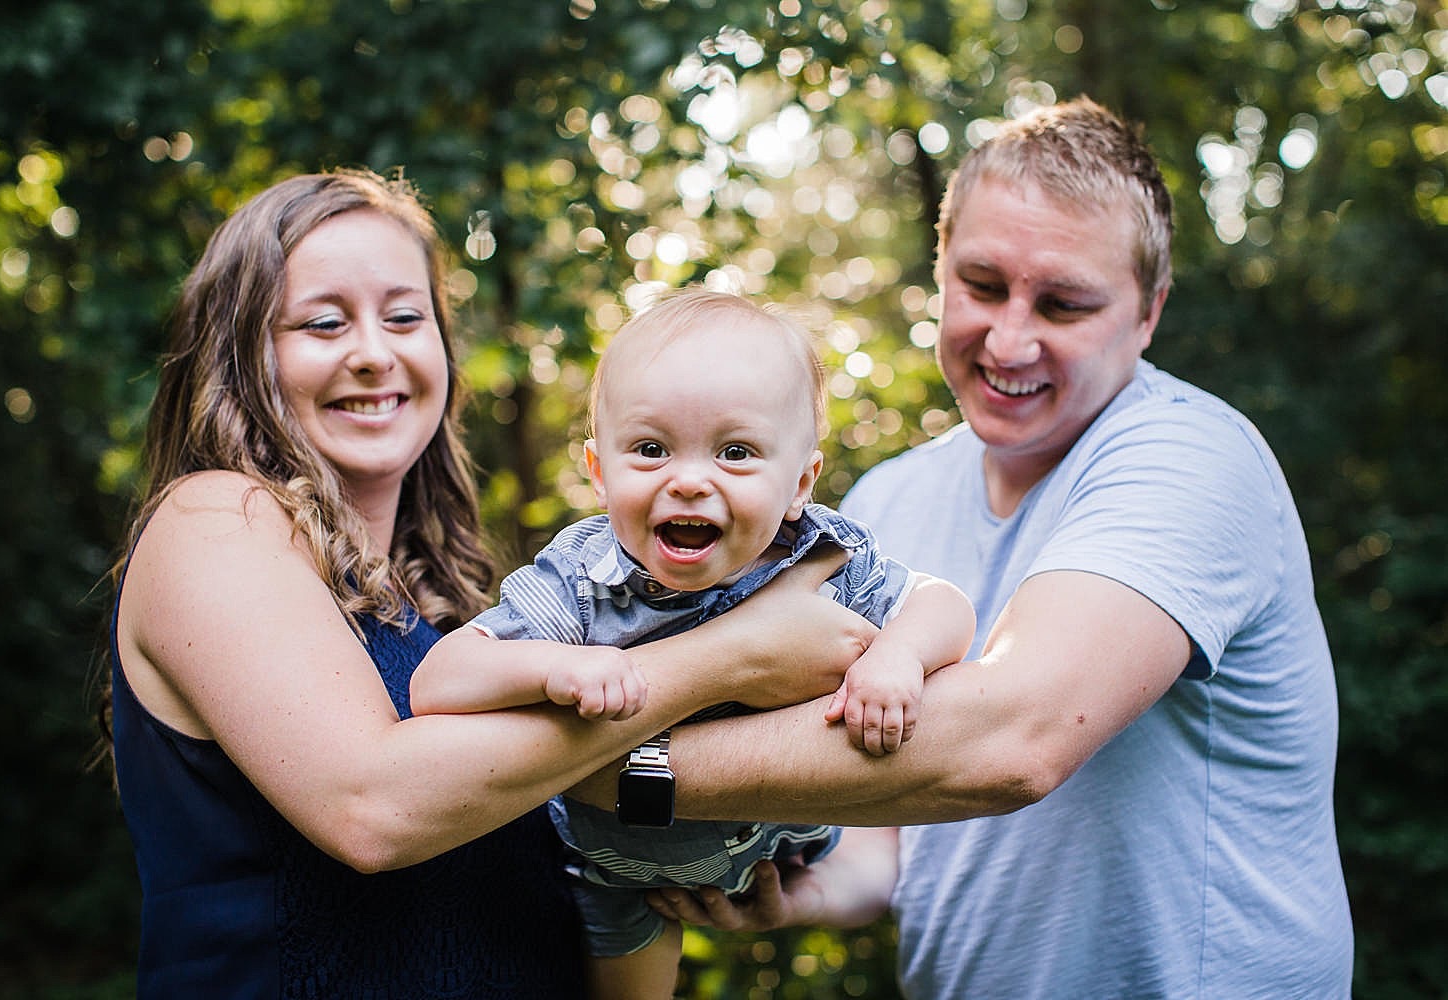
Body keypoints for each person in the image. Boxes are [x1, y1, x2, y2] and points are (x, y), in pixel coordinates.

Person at [614, 97, 1355, 998]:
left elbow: (1014, 740)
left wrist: (618, 773)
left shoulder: (1190, 459)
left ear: (1150, 312)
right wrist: (797, 892)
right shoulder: (888, 499)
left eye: (1064, 303)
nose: (1009, 339)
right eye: (983, 285)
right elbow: (883, 851)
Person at [99, 169, 875, 998]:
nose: (374, 353)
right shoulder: (215, 518)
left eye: (406, 317)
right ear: (243, 354)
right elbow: (372, 807)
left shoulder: (458, 618)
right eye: (324, 323)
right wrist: (731, 658)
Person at [410, 287, 975, 1000]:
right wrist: (559, 665)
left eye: (735, 453)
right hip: (622, 874)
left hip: (786, 853)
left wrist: (900, 656)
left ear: (800, 482)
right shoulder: (581, 580)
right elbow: (438, 683)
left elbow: (944, 606)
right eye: (650, 449)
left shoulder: (819, 559)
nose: (688, 480)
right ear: (599, 470)